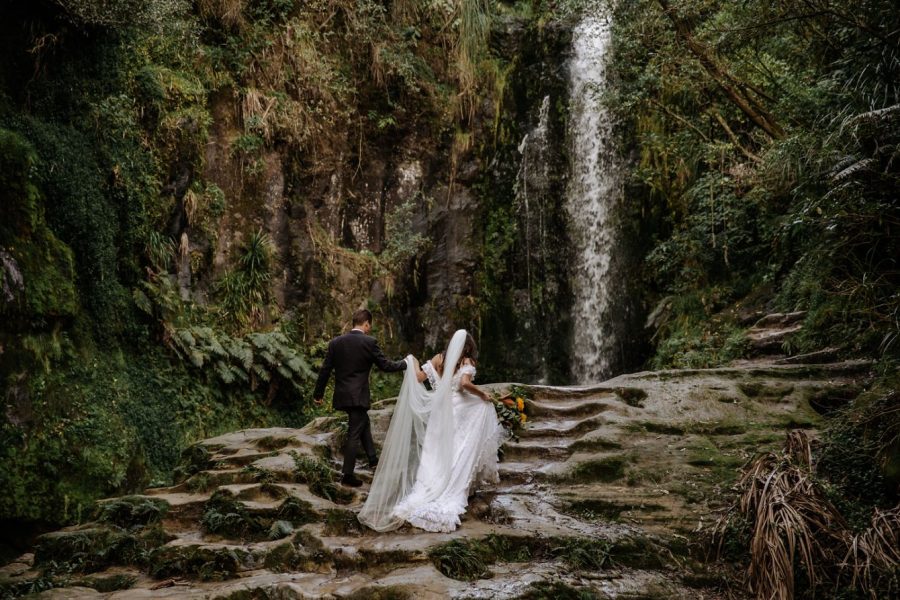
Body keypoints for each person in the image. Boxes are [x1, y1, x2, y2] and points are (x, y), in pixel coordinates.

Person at [358, 330, 502, 533]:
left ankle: (428, 487)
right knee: (461, 445)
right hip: (459, 410)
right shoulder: (467, 361)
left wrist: (412, 360)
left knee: (435, 452)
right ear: (468, 346)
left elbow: (418, 377)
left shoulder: (439, 359)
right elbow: (464, 384)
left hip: (440, 411)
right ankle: (453, 485)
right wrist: (483, 394)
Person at [313, 309, 407, 487]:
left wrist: (318, 394)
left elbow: (325, 370)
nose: (369, 328)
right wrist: (405, 364)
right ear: (366, 324)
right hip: (358, 395)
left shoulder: (336, 342)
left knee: (363, 422)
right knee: (354, 433)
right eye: (369, 326)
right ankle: (347, 475)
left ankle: (373, 460)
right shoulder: (369, 342)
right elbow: (385, 366)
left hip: (343, 395)